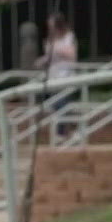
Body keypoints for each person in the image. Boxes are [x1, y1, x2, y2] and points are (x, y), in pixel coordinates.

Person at [35, 11, 78, 140]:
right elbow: (49, 58)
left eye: (52, 25)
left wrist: (56, 49)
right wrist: (42, 61)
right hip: (53, 77)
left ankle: (62, 132)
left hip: (66, 75)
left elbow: (72, 55)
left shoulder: (69, 36)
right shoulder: (49, 40)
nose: (50, 28)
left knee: (61, 102)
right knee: (58, 104)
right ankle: (70, 129)